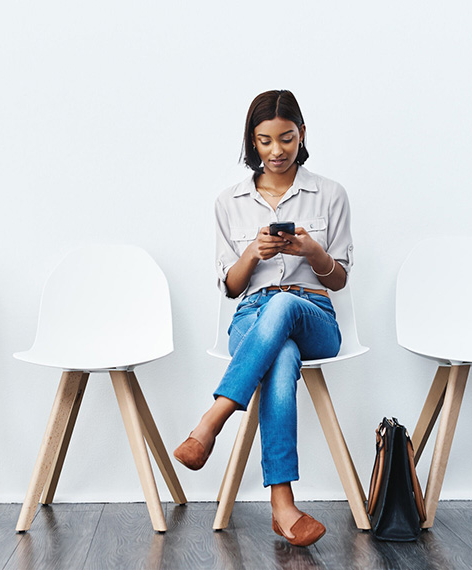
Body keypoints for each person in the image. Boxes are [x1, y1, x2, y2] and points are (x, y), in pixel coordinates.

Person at [173, 89, 353, 547]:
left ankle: (213, 418)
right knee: (281, 353)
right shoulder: (228, 201)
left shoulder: (330, 194)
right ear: (252, 141)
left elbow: (338, 280)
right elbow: (232, 287)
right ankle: (283, 506)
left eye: (286, 138)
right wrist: (253, 252)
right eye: (265, 141)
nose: (276, 151)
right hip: (251, 318)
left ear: (302, 134)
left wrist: (312, 251)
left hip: (314, 314)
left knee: (285, 305)